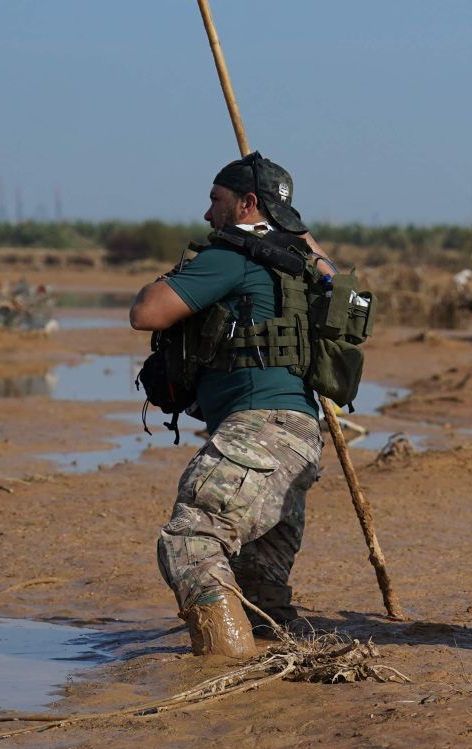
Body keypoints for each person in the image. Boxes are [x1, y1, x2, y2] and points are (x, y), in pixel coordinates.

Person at [129, 153, 333, 659]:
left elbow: (147, 313)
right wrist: (292, 227)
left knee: (190, 541)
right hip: (300, 437)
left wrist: (165, 278)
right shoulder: (307, 266)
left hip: (259, 432)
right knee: (259, 587)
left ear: (246, 203)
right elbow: (330, 269)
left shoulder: (233, 257)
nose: (206, 214)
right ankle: (273, 665)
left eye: (216, 200)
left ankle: (223, 663)